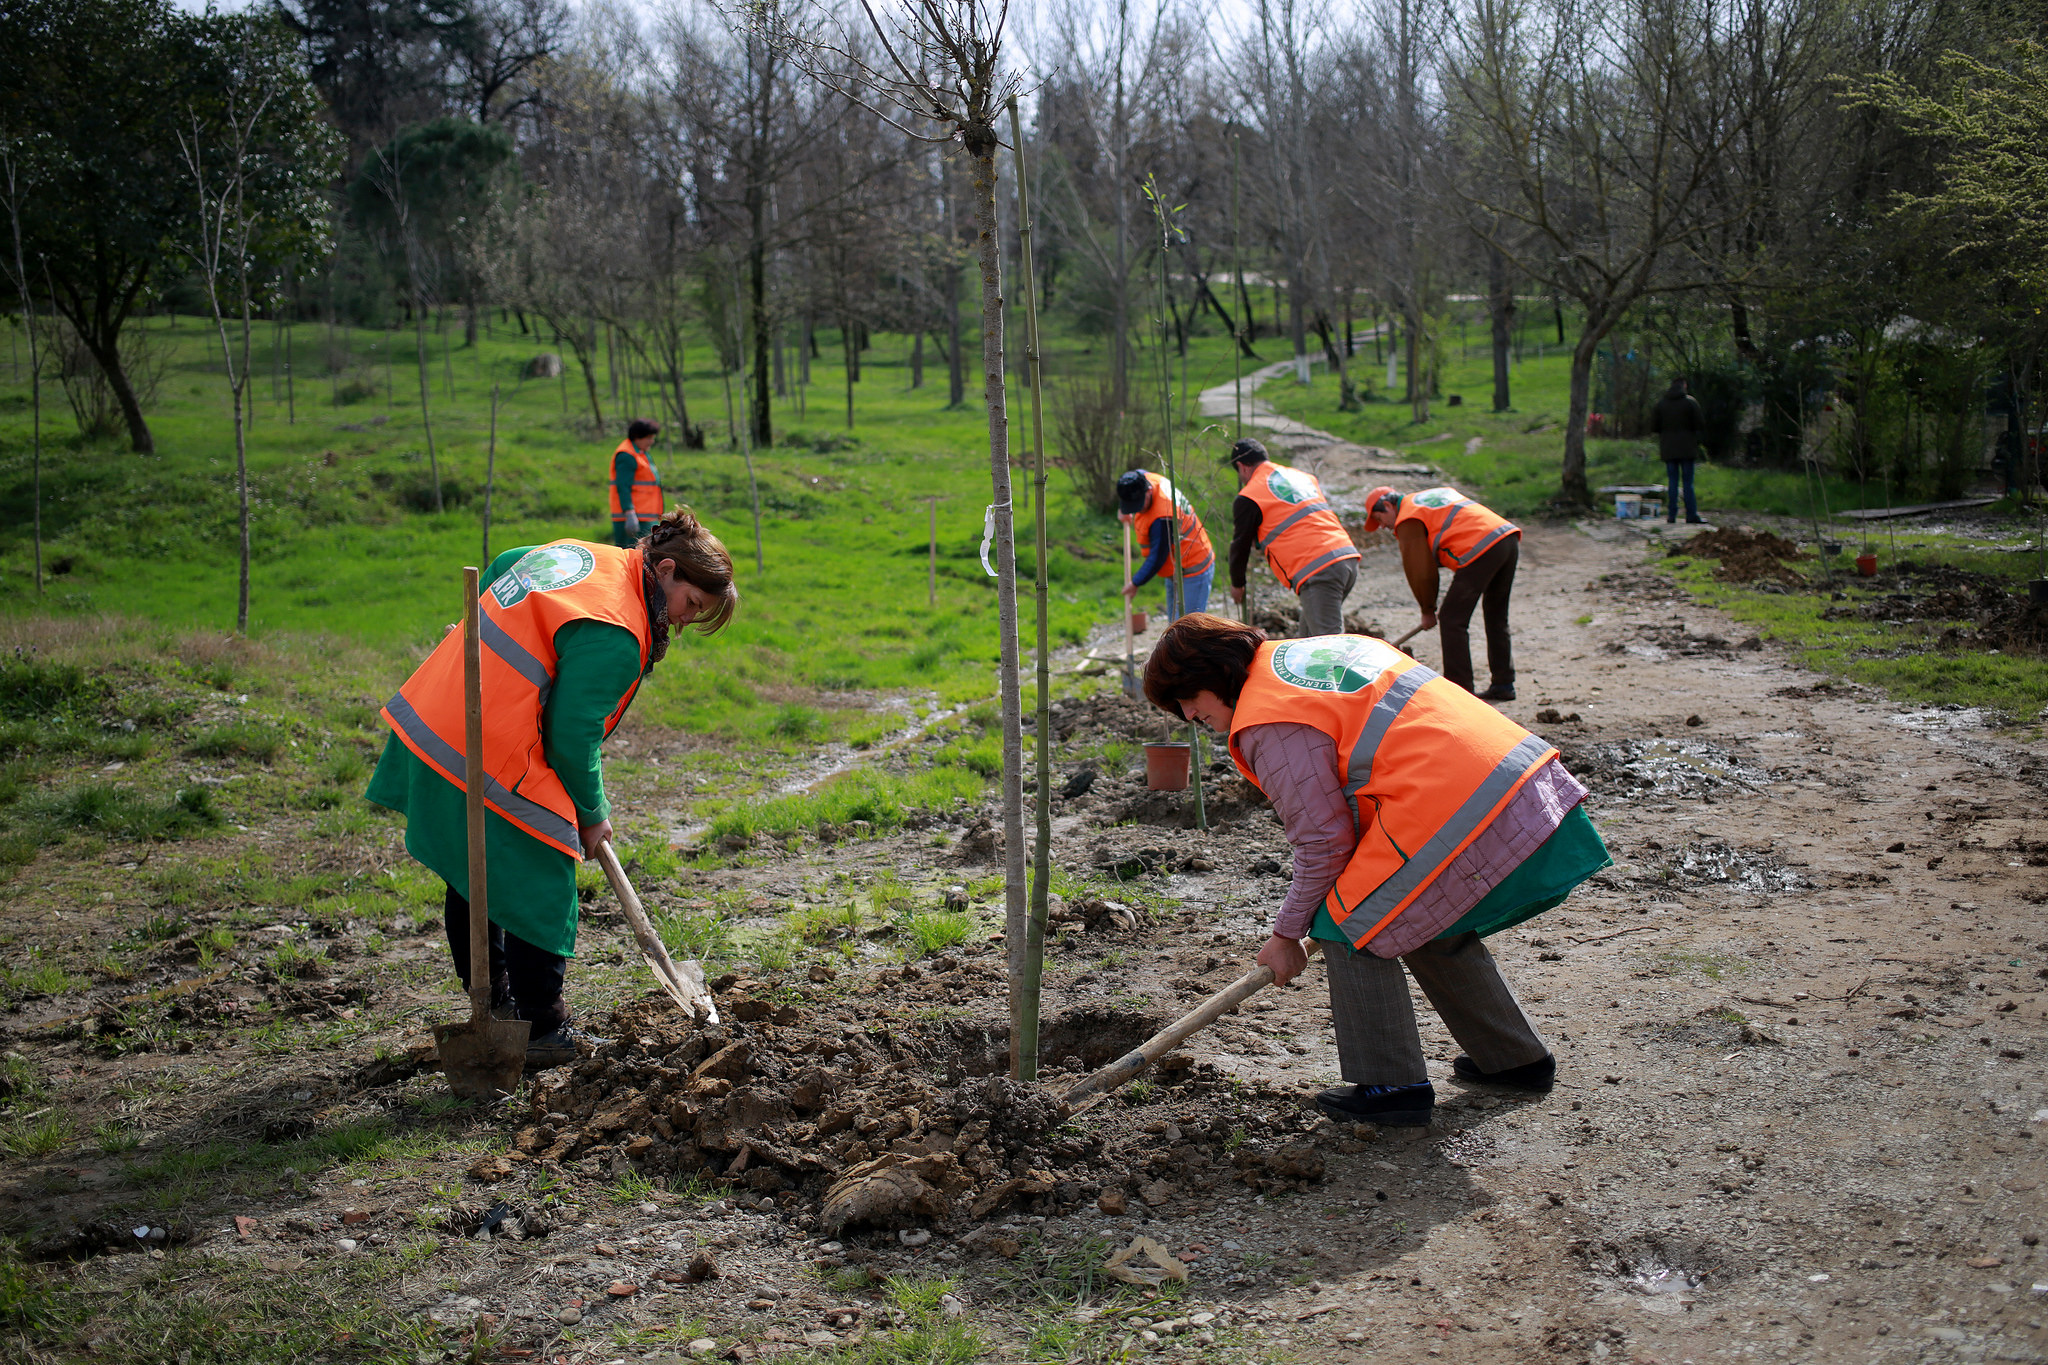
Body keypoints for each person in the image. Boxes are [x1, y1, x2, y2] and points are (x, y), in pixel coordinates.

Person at [1144, 615, 1609, 1127]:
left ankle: (1391, 1086)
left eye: (1188, 697)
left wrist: (1286, 934)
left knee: (1346, 920)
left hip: (1458, 804)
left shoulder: (1270, 717)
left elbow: (1323, 842)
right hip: (1511, 774)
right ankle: (1516, 1060)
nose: (1188, 714)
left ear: (1217, 672)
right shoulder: (1313, 655)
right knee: (1420, 913)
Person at [366, 510, 738, 1068]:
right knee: (543, 882)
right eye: (691, 606)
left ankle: (493, 1010)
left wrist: (476, 634)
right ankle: (542, 1029)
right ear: (665, 570)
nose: (684, 623)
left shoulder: (592, 558)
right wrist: (591, 813)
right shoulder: (618, 629)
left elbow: (507, 565)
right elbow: (570, 737)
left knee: (476, 874)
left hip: (443, 712)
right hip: (488, 744)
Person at [1364, 485, 1521, 702]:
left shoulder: (1407, 518)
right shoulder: (1422, 500)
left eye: (1379, 518)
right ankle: (1503, 684)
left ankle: (1460, 693)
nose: (1382, 526)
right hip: (1506, 537)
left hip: (1481, 546)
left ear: (1389, 505)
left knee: (1451, 619)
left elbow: (1420, 571)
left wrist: (1428, 610)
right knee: (1496, 614)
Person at [1224, 438, 1361, 636]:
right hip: (1346, 557)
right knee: (1305, 642)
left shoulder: (1250, 495)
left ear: (1242, 467)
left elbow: (1240, 544)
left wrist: (1237, 584)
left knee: (1330, 647)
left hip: (1318, 570)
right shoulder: (1303, 477)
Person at [1117, 468, 1215, 620]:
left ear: (1148, 491)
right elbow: (1136, 474)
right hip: (1176, 567)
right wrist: (1124, 509)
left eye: (1138, 504)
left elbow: (1157, 557)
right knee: (1174, 628)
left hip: (1193, 567)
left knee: (1187, 629)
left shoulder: (1163, 518)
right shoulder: (1144, 478)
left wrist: (1135, 583)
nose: (1138, 509)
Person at [1650, 378, 1707, 525]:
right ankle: (1691, 514)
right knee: (1688, 483)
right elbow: (1700, 424)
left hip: (1668, 448)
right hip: (1687, 448)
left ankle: (1671, 515)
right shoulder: (1690, 402)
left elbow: (1654, 426)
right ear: (1684, 386)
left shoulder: (1661, 404)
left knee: (1672, 482)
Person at [610, 419, 665, 546]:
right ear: (637, 437)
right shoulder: (627, 456)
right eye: (649, 438)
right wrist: (629, 513)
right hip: (635, 519)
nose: (652, 441)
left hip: (646, 518)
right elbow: (623, 486)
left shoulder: (640, 453)